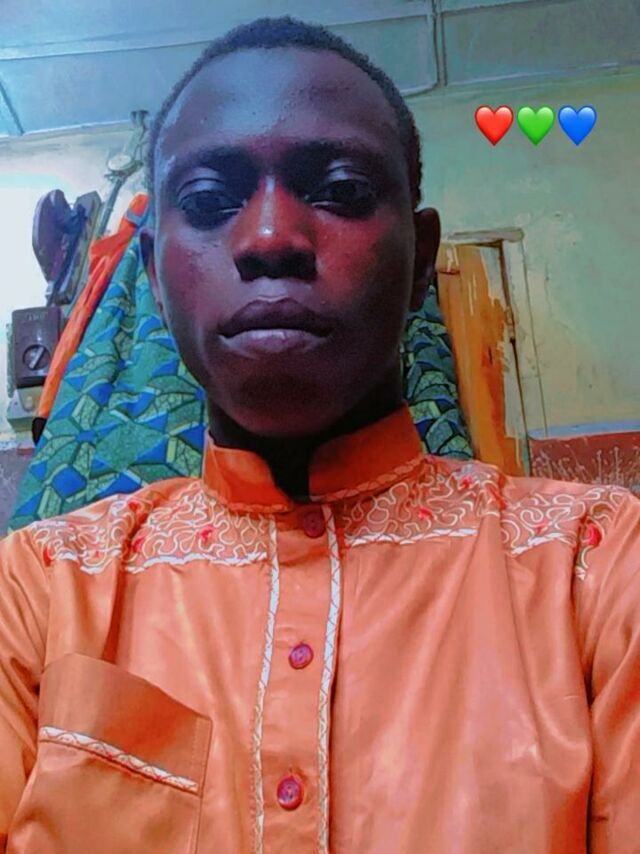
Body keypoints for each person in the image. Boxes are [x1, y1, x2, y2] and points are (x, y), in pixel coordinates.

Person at [0, 15, 638, 854]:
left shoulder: (596, 568)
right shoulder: (38, 591)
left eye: (339, 191)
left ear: (420, 262)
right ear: (153, 275)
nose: (270, 238)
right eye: (209, 202)